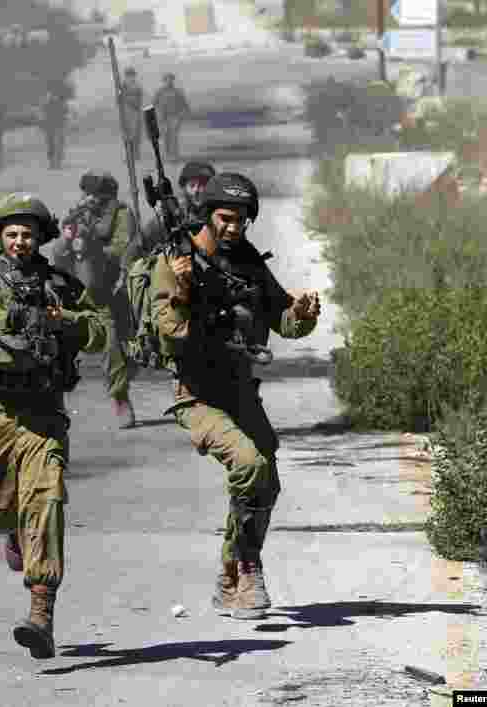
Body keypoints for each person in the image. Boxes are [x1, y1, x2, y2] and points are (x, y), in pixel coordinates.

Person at [148, 173, 322, 620]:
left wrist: (300, 314)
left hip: (241, 390)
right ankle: (248, 569)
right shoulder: (177, 260)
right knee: (249, 464)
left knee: (266, 483)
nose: (233, 227)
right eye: (226, 218)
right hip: (198, 395)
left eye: (242, 220)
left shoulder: (245, 260)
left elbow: (281, 317)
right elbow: (169, 334)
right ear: (208, 214)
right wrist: (185, 291)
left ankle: (231, 576)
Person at [0, 193, 109, 658]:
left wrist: (66, 322)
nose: (20, 242)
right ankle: (15, 533)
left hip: (43, 414)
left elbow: (98, 330)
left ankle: (41, 612)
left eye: (28, 234)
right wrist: (45, 337)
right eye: (12, 234)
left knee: (46, 500)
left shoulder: (59, 284)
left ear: (41, 239)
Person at [51, 170, 138, 428]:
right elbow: (59, 256)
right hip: (88, 294)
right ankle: (117, 397)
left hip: (118, 291)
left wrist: (94, 247)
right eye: (87, 193)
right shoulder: (79, 216)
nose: (91, 199)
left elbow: (124, 248)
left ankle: (121, 390)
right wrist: (69, 239)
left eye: (96, 194)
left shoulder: (122, 215)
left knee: (124, 349)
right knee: (107, 345)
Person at [124, 161, 216, 274]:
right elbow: (134, 250)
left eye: (202, 185)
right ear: (185, 188)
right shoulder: (173, 214)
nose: (197, 190)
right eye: (192, 185)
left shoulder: (220, 216)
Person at [152, 73, 190, 160]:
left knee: (173, 136)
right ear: (164, 81)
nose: (168, 81)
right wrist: (156, 115)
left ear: (173, 81)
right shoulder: (159, 92)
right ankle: (167, 155)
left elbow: (185, 105)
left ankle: (174, 155)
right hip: (163, 118)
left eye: (170, 80)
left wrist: (181, 115)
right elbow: (153, 103)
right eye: (166, 80)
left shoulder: (177, 92)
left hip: (174, 117)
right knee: (166, 136)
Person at [42, 79, 73, 170]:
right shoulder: (48, 101)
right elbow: (45, 112)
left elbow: (65, 111)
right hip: (52, 125)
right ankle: (53, 163)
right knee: (52, 144)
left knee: (58, 144)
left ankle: (57, 162)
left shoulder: (59, 101)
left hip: (58, 124)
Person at [120, 67, 144, 164]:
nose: (130, 78)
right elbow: (118, 101)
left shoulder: (137, 87)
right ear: (126, 77)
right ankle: (129, 155)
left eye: (132, 76)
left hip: (134, 112)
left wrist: (127, 98)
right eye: (128, 76)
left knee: (135, 135)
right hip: (125, 113)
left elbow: (138, 101)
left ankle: (135, 154)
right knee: (126, 135)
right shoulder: (122, 86)